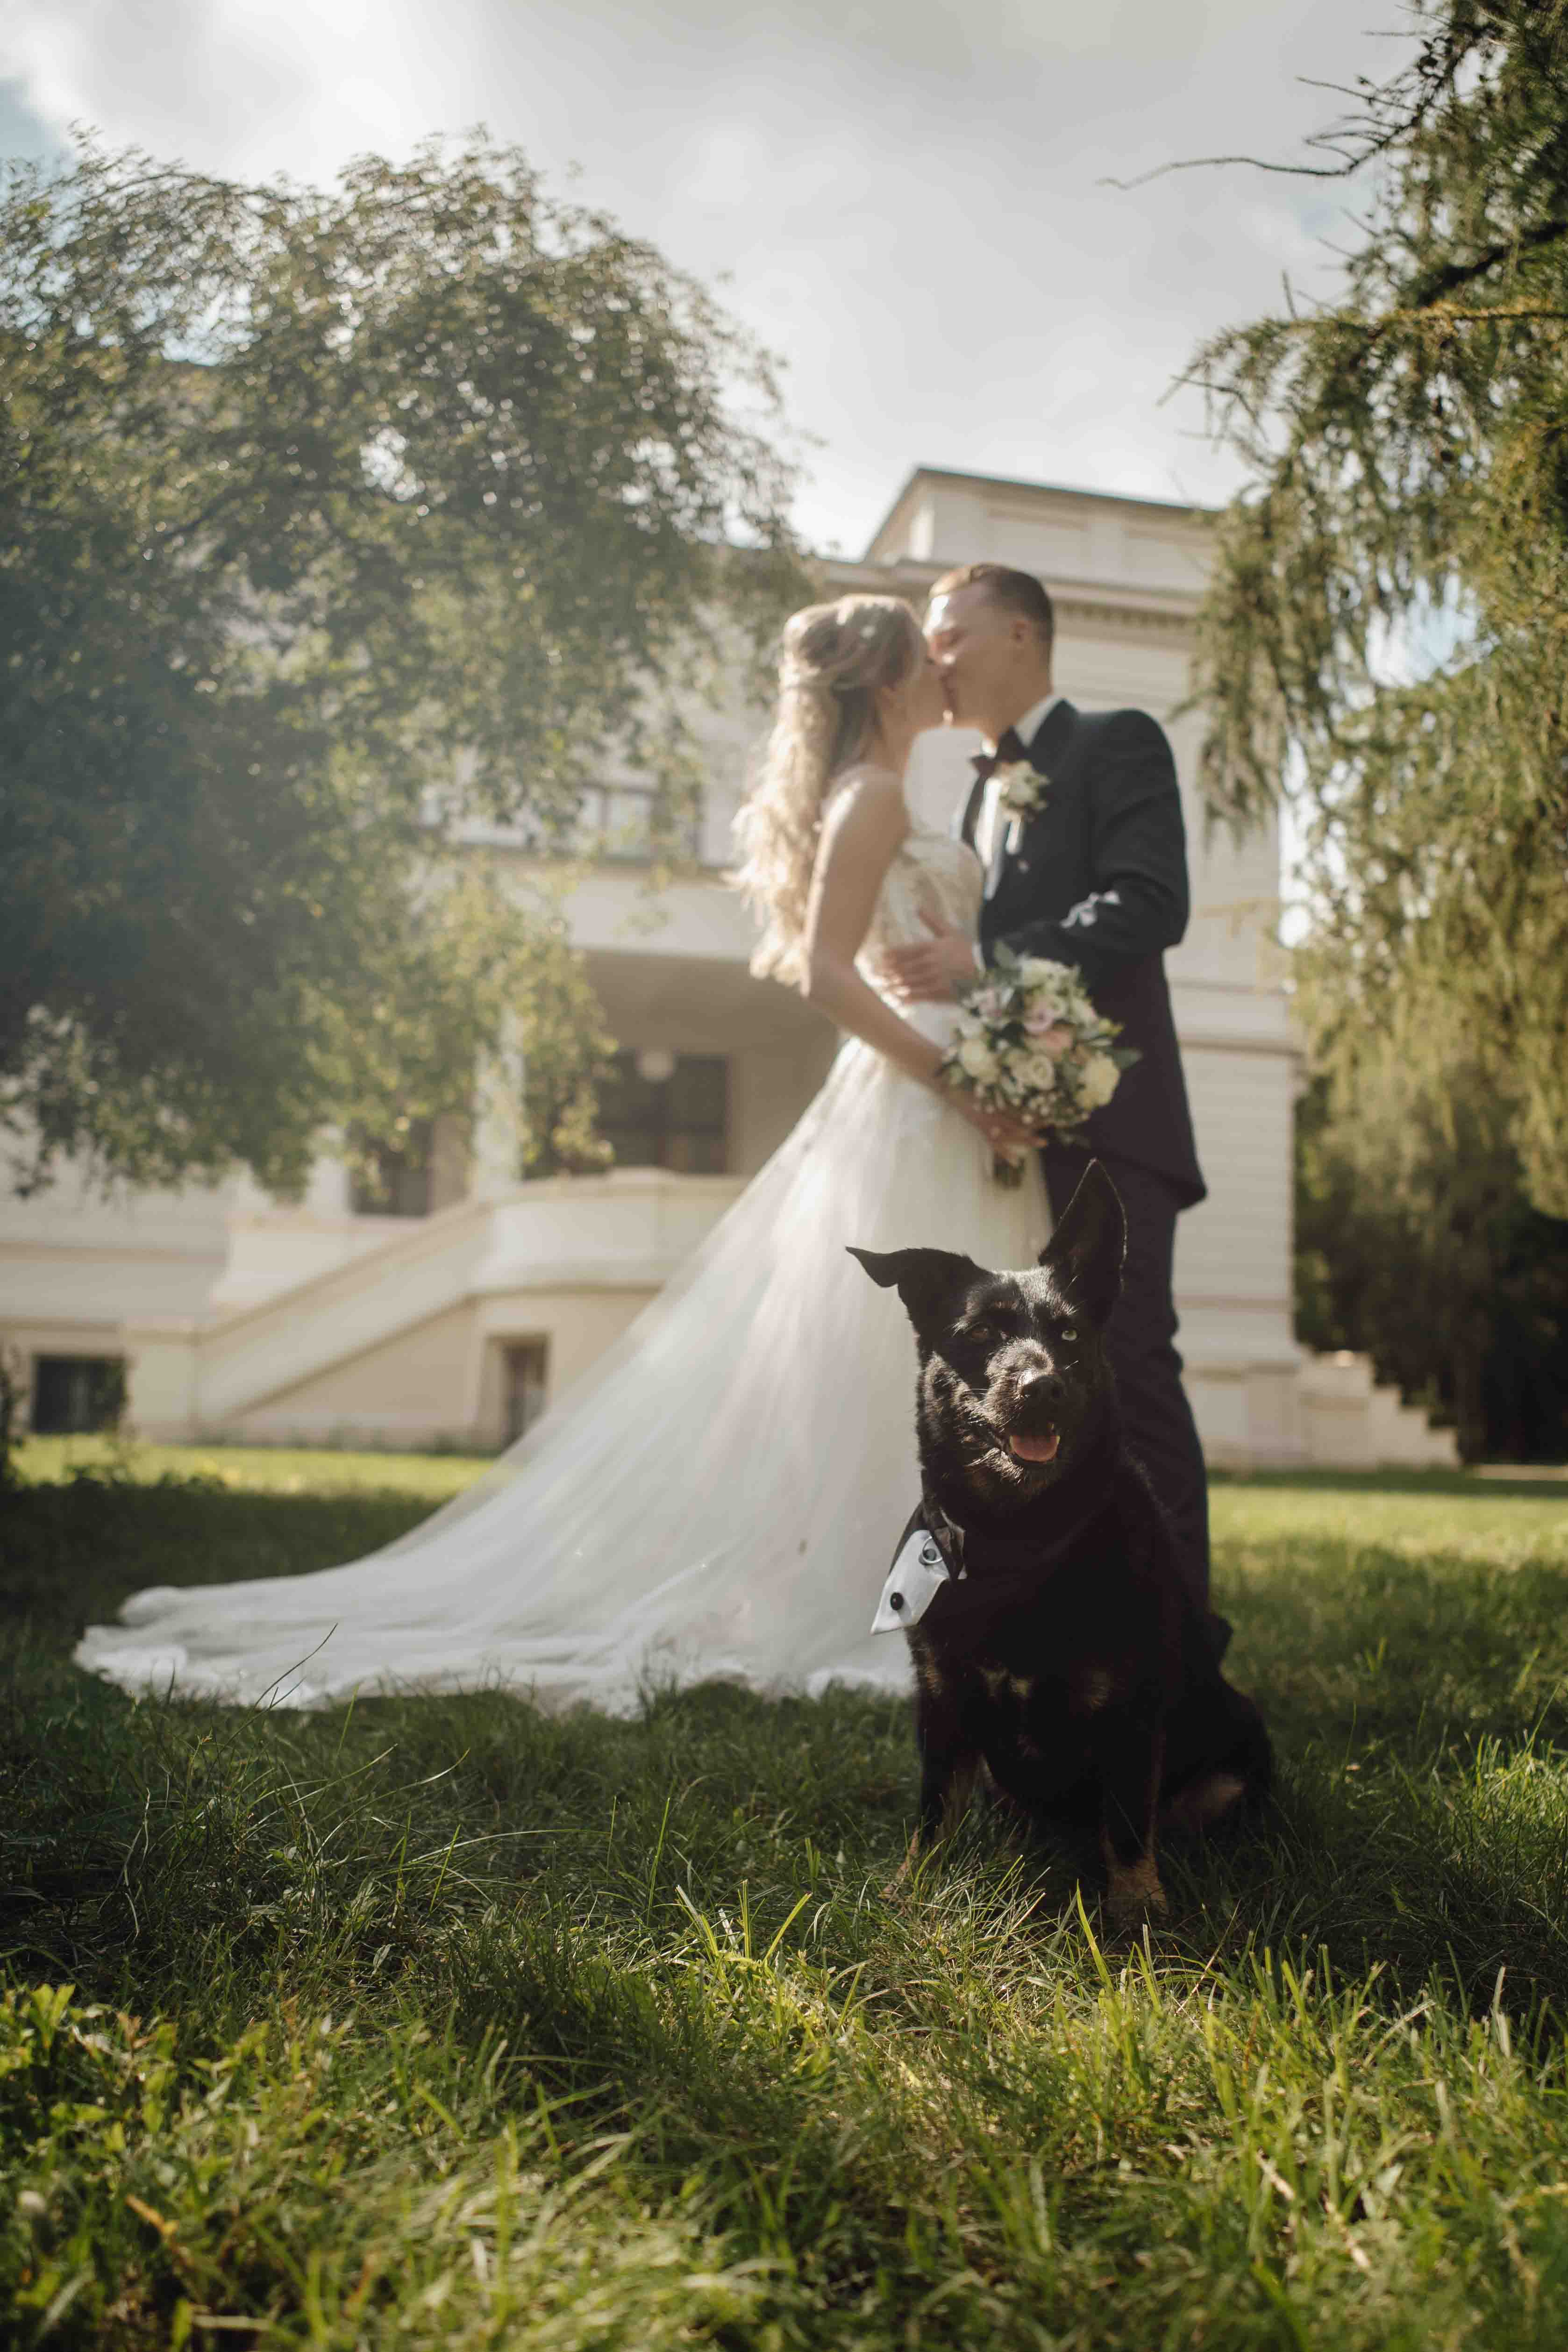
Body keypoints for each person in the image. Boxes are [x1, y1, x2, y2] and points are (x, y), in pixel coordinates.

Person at [76, 598, 1049, 1715]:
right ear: (885, 684)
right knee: (904, 1362)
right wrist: (958, 1080)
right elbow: (831, 976)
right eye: (918, 654)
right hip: (920, 1100)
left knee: (909, 1363)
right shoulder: (872, 796)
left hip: (939, 1099)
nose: (940, 666)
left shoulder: (881, 793)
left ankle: (942, 1586)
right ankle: (889, 1597)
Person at [877, 563, 1217, 1621]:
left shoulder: (1117, 741)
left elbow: (1151, 902)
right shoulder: (972, 792)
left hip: (1114, 1115)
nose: (935, 656)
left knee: (1129, 1366)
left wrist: (991, 958)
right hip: (1003, 1133)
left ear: (1021, 632)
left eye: (951, 633)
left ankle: (1179, 1626)